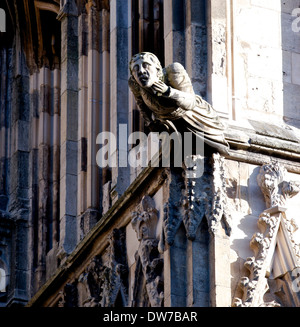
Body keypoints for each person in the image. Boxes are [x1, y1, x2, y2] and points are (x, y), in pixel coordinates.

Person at [128, 52, 230, 155]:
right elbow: (141, 105)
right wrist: (150, 123)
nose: (141, 71)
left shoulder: (173, 71)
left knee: (217, 150)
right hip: (170, 125)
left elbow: (190, 102)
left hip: (194, 118)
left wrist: (168, 91)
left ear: (157, 69)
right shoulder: (135, 84)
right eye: (135, 69)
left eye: (146, 65)